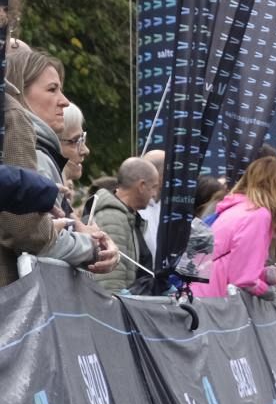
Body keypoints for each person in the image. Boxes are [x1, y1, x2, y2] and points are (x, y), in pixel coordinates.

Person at [1, 50, 116, 285]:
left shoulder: (41, 149)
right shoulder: (21, 129)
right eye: (52, 89)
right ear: (18, 91)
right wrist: (92, 247)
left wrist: (84, 235)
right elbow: (28, 233)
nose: (65, 101)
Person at [193, 156, 276, 298]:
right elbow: (243, 279)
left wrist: (271, 275)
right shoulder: (258, 215)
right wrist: (272, 294)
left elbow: (235, 266)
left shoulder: (238, 208)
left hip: (200, 297)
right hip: (212, 301)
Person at [86, 157, 159, 292]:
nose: (154, 194)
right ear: (142, 186)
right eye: (153, 187)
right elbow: (110, 282)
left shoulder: (127, 216)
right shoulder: (112, 218)